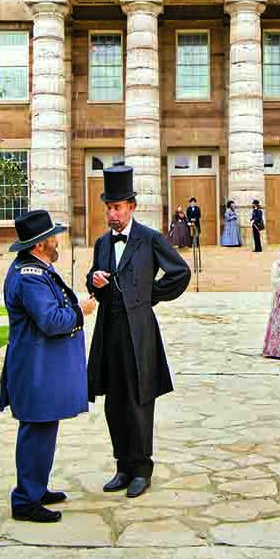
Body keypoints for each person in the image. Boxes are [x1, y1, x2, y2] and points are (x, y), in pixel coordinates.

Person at [86, 163, 191, 498]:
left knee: (139, 399)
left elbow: (180, 273)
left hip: (140, 331)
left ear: (131, 207)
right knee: (114, 401)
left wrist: (150, 296)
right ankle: (122, 466)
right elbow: (94, 280)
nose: (111, 214)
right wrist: (95, 281)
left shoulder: (150, 239)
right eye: (108, 208)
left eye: (116, 208)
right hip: (109, 330)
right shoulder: (103, 243)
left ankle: (142, 469)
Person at [0, 208, 97, 524]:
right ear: (40, 244)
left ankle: (36, 488)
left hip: (41, 368)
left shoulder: (36, 270)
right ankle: (26, 499)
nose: (57, 242)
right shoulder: (30, 278)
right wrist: (81, 312)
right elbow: (52, 321)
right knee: (36, 431)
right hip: (35, 369)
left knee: (44, 430)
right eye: (52, 237)